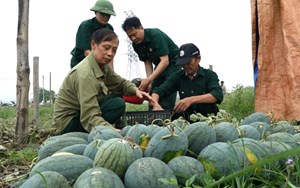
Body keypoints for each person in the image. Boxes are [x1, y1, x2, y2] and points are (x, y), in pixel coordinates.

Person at [54, 28, 153, 134]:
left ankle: (98, 131)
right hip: (68, 123)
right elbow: (89, 117)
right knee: (112, 108)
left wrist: (135, 90)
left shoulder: (102, 66)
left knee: (117, 103)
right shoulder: (85, 74)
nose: (110, 53)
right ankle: (90, 134)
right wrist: (112, 131)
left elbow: (120, 83)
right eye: (106, 48)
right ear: (93, 45)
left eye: (114, 50)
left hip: (81, 114)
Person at [150, 43, 223, 121]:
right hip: (186, 124)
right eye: (182, 64)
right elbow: (158, 91)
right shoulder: (177, 76)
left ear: (198, 59)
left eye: (188, 62)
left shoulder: (209, 75)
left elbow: (217, 95)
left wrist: (190, 100)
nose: (185, 66)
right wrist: (155, 104)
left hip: (209, 121)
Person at [121, 16, 181, 110]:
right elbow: (147, 62)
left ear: (141, 28)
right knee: (153, 93)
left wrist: (149, 79)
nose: (133, 38)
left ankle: (167, 114)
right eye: (129, 36)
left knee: (167, 90)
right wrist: (150, 82)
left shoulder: (155, 35)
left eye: (135, 34)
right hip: (159, 65)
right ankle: (153, 115)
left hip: (173, 64)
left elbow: (165, 61)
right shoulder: (136, 45)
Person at [70, 0, 116, 69]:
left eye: (108, 15)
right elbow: (87, 52)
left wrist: (111, 73)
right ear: (95, 12)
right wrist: (99, 69)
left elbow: (110, 53)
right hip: (81, 62)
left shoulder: (109, 29)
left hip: (101, 63)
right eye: (102, 14)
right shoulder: (86, 26)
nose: (106, 17)